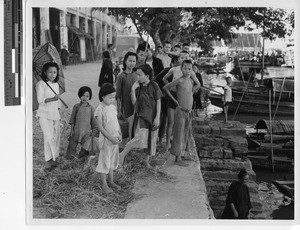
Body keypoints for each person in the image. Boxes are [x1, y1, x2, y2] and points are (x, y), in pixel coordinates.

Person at [119, 64, 161, 169]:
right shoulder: (138, 87)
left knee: (151, 139)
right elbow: (134, 102)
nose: (137, 77)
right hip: (142, 117)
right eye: (136, 74)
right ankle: (122, 154)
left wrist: (157, 117)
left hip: (153, 117)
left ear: (147, 76)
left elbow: (158, 102)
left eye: (139, 75)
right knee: (139, 138)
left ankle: (146, 162)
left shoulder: (154, 85)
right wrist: (133, 90)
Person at [162, 51, 200, 151]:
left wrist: (192, 90)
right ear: (178, 59)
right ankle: (168, 144)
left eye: (186, 57)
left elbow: (198, 84)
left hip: (185, 98)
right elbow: (164, 79)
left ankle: (186, 146)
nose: (183, 59)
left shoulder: (190, 72)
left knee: (186, 124)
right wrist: (171, 88)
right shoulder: (173, 69)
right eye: (182, 57)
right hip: (174, 96)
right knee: (171, 122)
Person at [94, 83, 122, 194]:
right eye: (110, 97)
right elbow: (100, 127)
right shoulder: (99, 109)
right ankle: (104, 185)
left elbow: (116, 122)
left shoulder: (113, 107)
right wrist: (111, 138)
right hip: (106, 140)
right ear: (102, 96)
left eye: (113, 97)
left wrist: (120, 133)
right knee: (104, 161)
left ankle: (111, 181)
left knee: (112, 160)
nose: (112, 99)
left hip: (115, 139)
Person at [36, 62, 61, 171]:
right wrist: (52, 99)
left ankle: (54, 159)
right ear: (45, 72)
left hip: (54, 114)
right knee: (48, 137)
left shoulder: (56, 85)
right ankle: (47, 162)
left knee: (55, 137)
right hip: (44, 114)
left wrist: (58, 107)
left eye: (54, 72)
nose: (52, 74)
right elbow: (40, 100)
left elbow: (58, 101)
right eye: (50, 72)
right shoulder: (41, 84)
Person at [65, 86, 95, 160]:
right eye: (83, 95)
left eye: (87, 96)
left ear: (90, 97)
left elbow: (93, 121)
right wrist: (72, 130)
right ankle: (71, 159)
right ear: (79, 95)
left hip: (86, 132)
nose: (84, 98)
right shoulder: (76, 107)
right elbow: (72, 120)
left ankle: (82, 159)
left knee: (85, 147)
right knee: (73, 146)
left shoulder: (91, 108)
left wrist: (93, 131)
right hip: (76, 131)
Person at [154, 56, 179, 143]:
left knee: (171, 119)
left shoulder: (183, 72)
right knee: (162, 118)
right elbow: (155, 81)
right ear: (174, 63)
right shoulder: (168, 71)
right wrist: (161, 92)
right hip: (164, 98)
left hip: (175, 99)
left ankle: (165, 138)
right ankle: (159, 138)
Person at [116, 51, 138, 140]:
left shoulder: (137, 75)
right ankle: (127, 144)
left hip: (136, 104)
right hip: (126, 106)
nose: (132, 63)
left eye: (134, 61)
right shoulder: (121, 76)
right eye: (130, 61)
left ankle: (133, 143)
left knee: (135, 125)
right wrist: (119, 110)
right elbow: (118, 95)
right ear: (125, 61)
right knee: (128, 126)